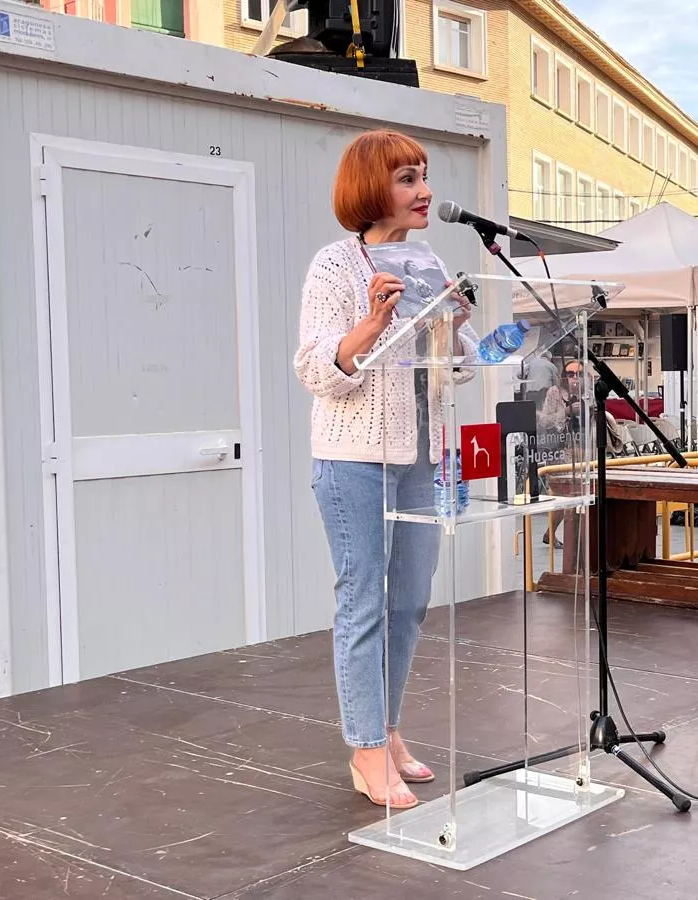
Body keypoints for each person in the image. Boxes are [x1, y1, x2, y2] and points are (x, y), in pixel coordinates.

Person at [293, 129, 479, 810]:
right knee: (364, 602)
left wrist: (452, 326)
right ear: (373, 188)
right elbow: (317, 371)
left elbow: (450, 371)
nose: (424, 190)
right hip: (353, 461)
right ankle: (366, 750)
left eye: (423, 175)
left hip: (419, 458)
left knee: (408, 605)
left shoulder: (427, 261)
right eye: (407, 178)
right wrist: (373, 321)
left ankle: (389, 729)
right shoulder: (334, 266)